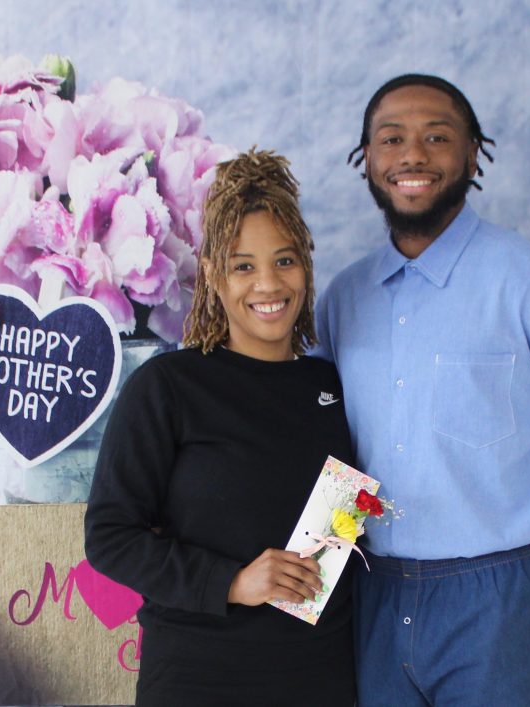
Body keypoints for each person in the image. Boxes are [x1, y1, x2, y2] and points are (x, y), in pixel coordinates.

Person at [314, 74, 530, 706]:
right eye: (391, 138)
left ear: (474, 153)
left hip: (500, 592)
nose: (413, 155)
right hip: (372, 588)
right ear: (366, 159)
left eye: (437, 136)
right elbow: (338, 449)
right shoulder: (344, 298)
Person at [85, 148, 356, 707]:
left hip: (320, 678)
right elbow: (110, 538)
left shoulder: (332, 386)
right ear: (212, 273)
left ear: (305, 264)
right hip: (198, 680)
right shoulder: (169, 388)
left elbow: (348, 520)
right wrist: (231, 582)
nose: (268, 285)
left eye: (285, 261)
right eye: (243, 266)